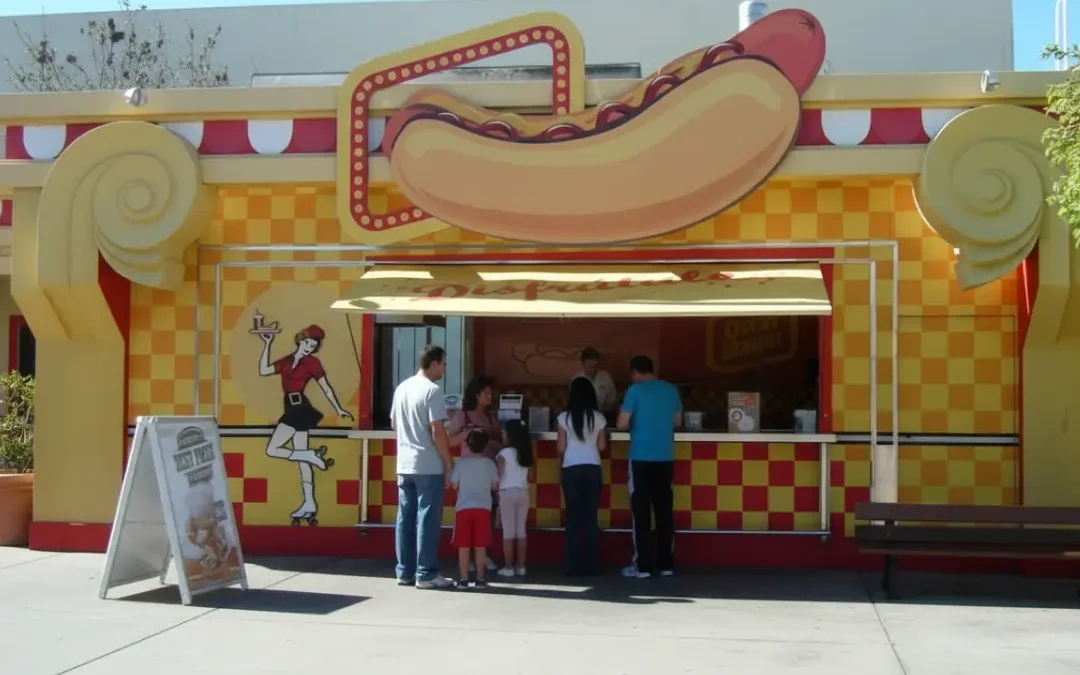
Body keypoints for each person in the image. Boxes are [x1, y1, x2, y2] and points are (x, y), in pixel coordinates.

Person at [257, 324, 353, 524]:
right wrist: (267, 344)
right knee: (302, 459)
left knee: (272, 449)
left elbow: (326, 387)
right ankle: (309, 502)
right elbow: (264, 370)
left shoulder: (312, 363)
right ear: (300, 340)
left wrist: (338, 409)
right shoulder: (286, 361)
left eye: (314, 344)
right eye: (308, 342)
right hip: (290, 407)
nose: (310, 346)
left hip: (300, 408)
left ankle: (309, 456)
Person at [390, 345, 455, 590]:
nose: (445, 368)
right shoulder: (433, 391)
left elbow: (395, 425)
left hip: (404, 464)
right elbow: (438, 430)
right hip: (427, 464)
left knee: (404, 519)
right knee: (427, 519)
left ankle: (404, 571)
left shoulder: (402, 388)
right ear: (434, 363)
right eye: (444, 363)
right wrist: (448, 461)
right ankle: (426, 573)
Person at [616, 355, 682, 579]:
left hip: (641, 458)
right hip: (665, 457)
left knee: (641, 513)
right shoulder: (671, 390)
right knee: (664, 512)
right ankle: (666, 565)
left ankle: (642, 566)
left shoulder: (635, 391)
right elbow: (677, 422)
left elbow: (622, 423)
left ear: (635, 371)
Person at [447, 375, 503, 571]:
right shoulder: (462, 416)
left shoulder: (491, 419)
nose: (490, 396)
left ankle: (484, 554)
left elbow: (500, 444)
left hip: (487, 473)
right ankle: (467, 558)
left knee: (488, 514)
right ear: (476, 394)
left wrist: (487, 439)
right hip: (467, 474)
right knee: (467, 515)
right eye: (486, 392)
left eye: (490, 392)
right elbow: (449, 440)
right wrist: (467, 433)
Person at [557, 376, 607, 576]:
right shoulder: (599, 418)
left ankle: (572, 565)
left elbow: (561, 447)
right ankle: (591, 564)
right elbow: (602, 446)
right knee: (590, 517)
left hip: (571, 468)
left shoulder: (563, 418)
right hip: (593, 468)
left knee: (573, 518)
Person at [450, 428, 500, 589]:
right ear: (486, 446)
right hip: (484, 508)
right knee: (480, 546)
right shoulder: (489, 464)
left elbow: (453, 483)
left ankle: (463, 579)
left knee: (463, 546)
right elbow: (495, 484)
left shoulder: (461, 463)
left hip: (463, 508)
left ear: (467, 445)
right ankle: (480, 579)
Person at [496, 419, 534, 578]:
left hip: (506, 493)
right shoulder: (526, 454)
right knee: (521, 531)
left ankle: (509, 567)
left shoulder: (503, 454)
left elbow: (498, 476)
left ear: (510, 435)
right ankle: (521, 566)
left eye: (504, 432)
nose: (502, 434)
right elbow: (531, 476)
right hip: (523, 493)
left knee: (508, 532)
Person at [576, 347, 618, 418]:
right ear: (583, 364)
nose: (593, 369)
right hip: (582, 416)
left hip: (603, 415)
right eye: (590, 367)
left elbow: (612, 401)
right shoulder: (576, 380)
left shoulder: (606, 377)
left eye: (595, 366)